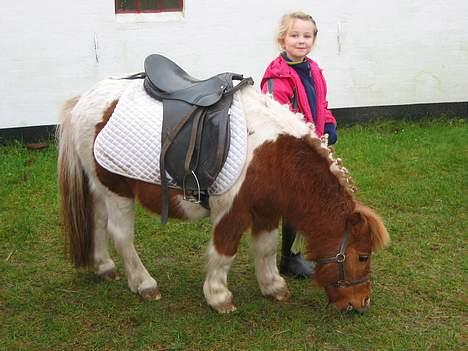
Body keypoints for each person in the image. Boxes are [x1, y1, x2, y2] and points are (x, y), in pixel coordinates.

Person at [260, 11, 338, 278]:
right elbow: (276, 120)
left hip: (310, 147)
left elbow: (321, 104)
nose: (301, 41)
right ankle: (286, 258)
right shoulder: (277, 78)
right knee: (293, 204)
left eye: (307, 35)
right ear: (283, 40)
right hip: (288, 154)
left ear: (314, 39)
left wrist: (328, 126)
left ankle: (292, 255)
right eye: (294, 35)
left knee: (305, 203)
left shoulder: (313, 69)